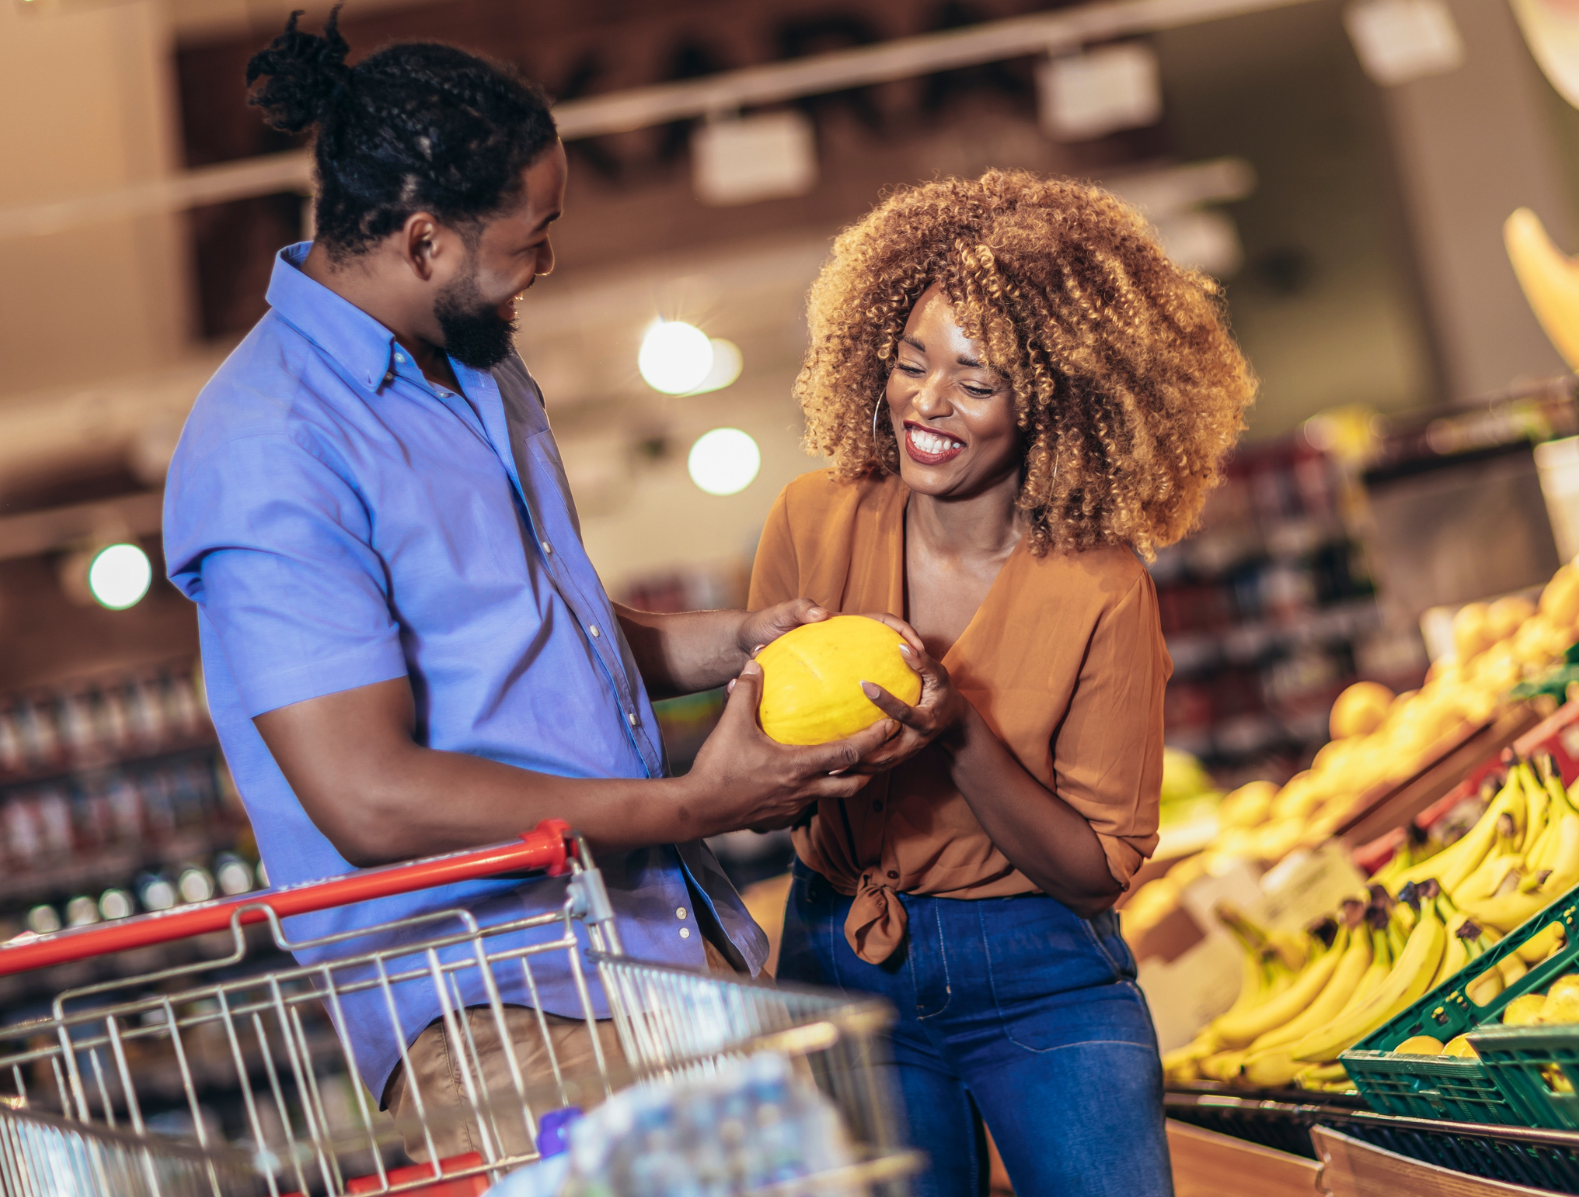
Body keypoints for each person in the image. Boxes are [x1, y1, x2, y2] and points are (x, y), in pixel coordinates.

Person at [161, 12, 891, 1164]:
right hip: (490, 1006)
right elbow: (367, 795)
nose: (544, 268)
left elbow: (537, 642)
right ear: (422, 242)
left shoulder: (476, 372)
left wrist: (731, 642)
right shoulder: (271, 445)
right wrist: (692, 804)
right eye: (530, 239)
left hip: (655, 936)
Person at [749, 171, 1255, 1196]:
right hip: (844, 957)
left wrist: (954, 731)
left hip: (1042, 977)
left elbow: (1094, 870)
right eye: (908, 363)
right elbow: (756, 756)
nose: (927, 404)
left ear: (1055, 404)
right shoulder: (815, 519)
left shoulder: (1103, 587)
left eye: (975, 382)